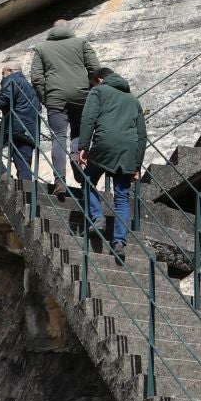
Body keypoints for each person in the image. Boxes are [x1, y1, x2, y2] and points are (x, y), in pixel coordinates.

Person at [77, 67, 148, 262]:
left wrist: (83, 145)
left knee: (88, 178)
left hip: (105, 144)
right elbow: (142, 135)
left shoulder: (98, 91)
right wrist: (137, 164)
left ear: (99, 79)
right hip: (129, 150)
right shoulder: (133, 100)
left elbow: (88, 118)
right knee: (122, 197)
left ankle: (98, 217)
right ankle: (119, 243)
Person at [29, 18, 102, 195]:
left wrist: (45, 98)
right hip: (81, 95)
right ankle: (76, 157)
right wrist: (91, 89)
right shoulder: (81, 42)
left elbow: (36, 78)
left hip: (55, 97)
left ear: (52, 30)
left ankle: (59, 181)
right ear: (69, 29)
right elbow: (95, 68)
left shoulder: (41, 48)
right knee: (78, 132)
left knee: (58, 137)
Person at [0, 63, 42, 185]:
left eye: (3, 73)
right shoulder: (29, 87)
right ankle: (27, 196)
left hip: (14, 126)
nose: (2, 77)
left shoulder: (13, 80)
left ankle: (3, 174)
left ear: (9, 71)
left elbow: (5, 96)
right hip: (30, 130)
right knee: (23, 163)